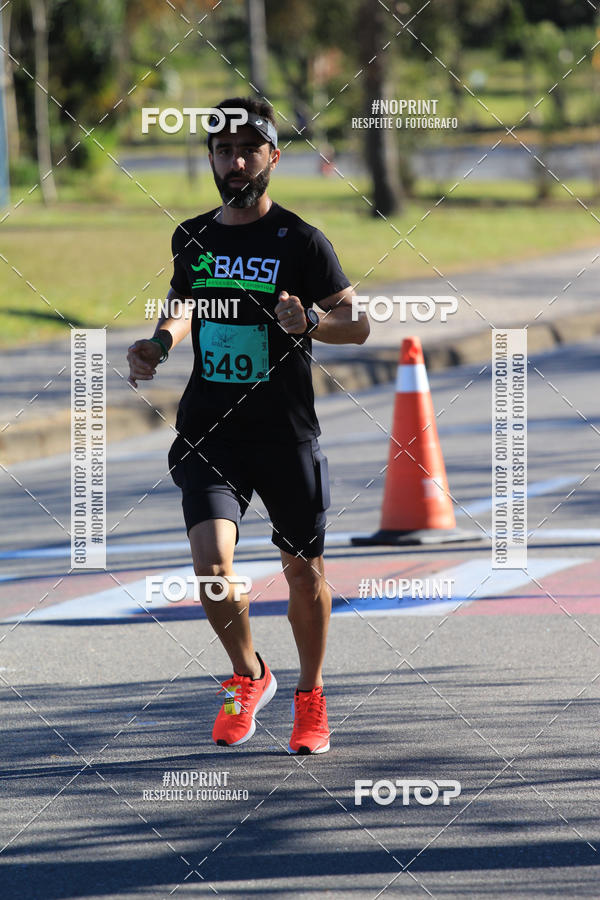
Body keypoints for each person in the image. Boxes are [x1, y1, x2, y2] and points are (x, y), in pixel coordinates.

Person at [127, 96, 369, 754]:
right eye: (224, 151)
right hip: (212, 431)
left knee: (303, 573)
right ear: (210, 158)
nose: (236, 163)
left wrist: (311, 321)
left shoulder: (302, 241)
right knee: (212, 567)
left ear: (273, 158)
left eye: (248, 151)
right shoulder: (192, 237)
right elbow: (185, 301)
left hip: (285, 433)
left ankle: (311, 694)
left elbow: (357, 324)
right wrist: (159, 343)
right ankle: (249, 675)